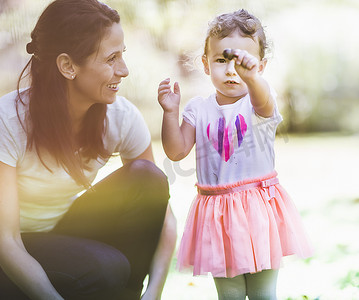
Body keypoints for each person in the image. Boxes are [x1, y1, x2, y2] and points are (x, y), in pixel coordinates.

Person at [0, 0, 176, 299]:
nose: (124, 70)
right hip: (13, 251)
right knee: (107, 268)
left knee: (149, 178)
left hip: (66, 235)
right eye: (111, 59)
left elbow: (163, 216)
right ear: (68, 66)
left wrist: (154, 292)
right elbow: (7, 241)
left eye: (123, 55)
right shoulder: (8, 119)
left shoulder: (121, 116)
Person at [157, 9, 313, 300]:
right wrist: (170, 112)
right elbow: (176, 151)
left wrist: (252, 78)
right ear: (205, 64)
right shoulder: (198, 109)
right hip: (216, 214)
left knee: (262, 293)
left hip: (257, 210)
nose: (232, 70)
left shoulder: (259, 104)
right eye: (221, 60)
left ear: (260, 66)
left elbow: (263, 98)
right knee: (228, 295)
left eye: (242, 62)